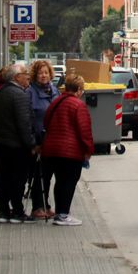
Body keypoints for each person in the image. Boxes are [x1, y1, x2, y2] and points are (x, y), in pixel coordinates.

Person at [42, 74, 94, 226]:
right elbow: (84, 130)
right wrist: (88, 150)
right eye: (82, 89)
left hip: (51, 149)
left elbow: (46, 121)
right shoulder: (78, 105)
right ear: (78, 90)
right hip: (70, 152)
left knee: (59, 182)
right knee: (69, 182)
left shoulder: (56, 102)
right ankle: (63, 214)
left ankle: (60, 213)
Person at [0, 62, 36, 223]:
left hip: (1, 143)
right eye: (25, 74)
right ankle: (17, 211)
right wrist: (31, 144)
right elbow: (24, 123)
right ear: (17, 77)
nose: (28, 77)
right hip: (17, 146)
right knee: (18, 179)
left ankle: (3, 211)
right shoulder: (19, 95)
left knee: (3, 178)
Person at [27, 59, 61, 220]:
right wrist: (34, 142)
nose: (43, 76)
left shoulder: (54, 90)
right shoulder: (30, 92)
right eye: (40, 73)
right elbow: (29, 118)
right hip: (39, 140)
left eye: (46, 73)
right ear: (35, 75)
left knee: (48, 175)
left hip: (53, 139)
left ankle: (46, 205)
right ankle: (37, 206)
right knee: (38, 175)